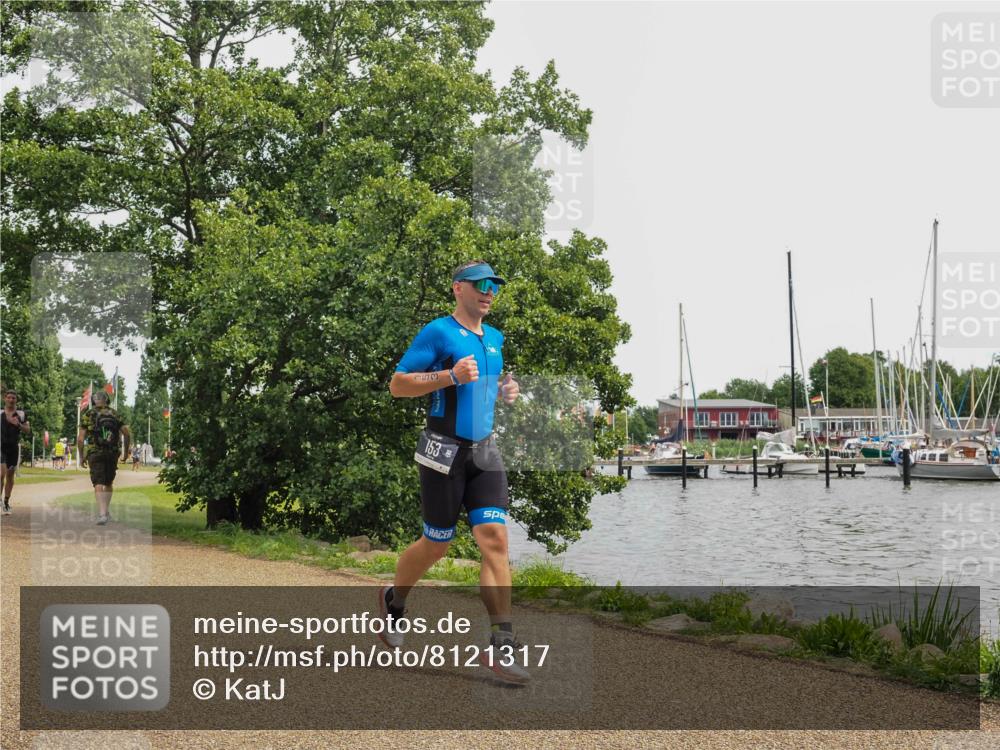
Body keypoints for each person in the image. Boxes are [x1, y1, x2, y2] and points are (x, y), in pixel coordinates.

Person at [384, 260, 527, 684]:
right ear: (458, 289)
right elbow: (398, 384)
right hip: (441, 451)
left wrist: (505, 390)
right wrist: (448, 375)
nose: (489, 292)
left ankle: (502, 644)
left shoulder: (496, 338)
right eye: (481, 285)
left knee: (495, 540)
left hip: (485, 452)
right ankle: (395, 601)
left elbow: (482, 391)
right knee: (436, 545)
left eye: (495, 287)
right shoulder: (438, 332)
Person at [78, 390, 130, 525]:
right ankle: (106, 512)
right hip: (112, 452)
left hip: (95, 452)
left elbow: (80, 438)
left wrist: (81, 456)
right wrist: (125, 453)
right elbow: (126, 433)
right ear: (107, 400)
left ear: (94, 401)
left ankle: (102, 514)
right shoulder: (115, 414)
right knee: (108, 482)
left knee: (98, 483)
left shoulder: (89, 414)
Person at [1, 390, 30, 514]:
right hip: (0, 447)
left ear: (16, 400)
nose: (11, 400)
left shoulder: (21, 414)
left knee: (10, 476)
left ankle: (6, 502)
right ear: (4, 399)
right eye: (9, 397)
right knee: (1, 474)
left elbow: (28, 430)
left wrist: (18, 424)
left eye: (13, 398)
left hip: (13, 448)